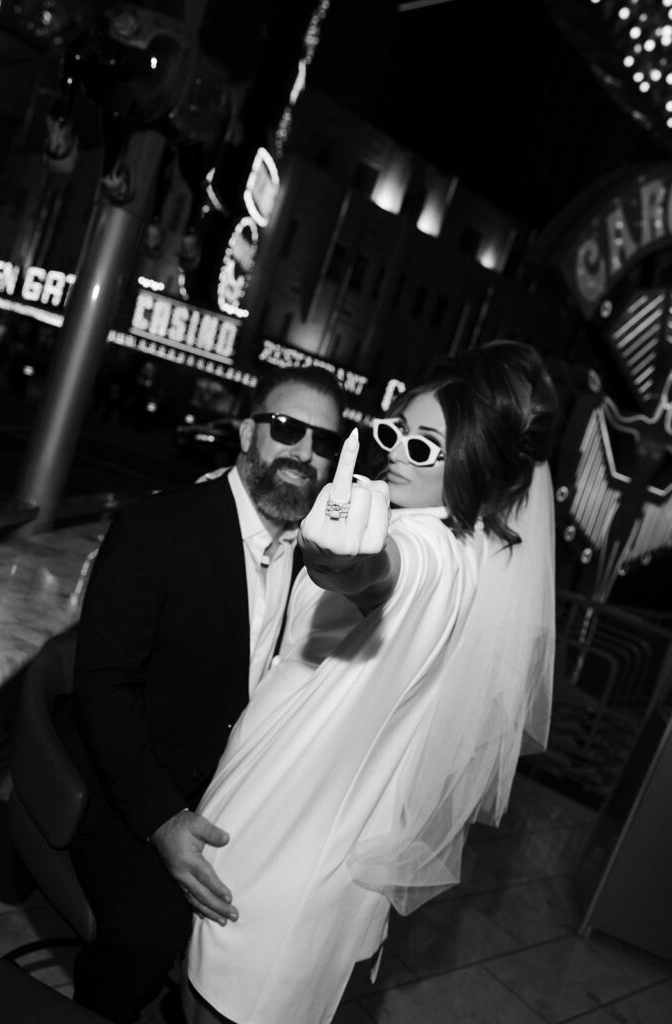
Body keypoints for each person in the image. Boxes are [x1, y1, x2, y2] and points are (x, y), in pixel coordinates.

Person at [184, 340, 559, 1024]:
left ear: (471, 465)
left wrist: (340, 561)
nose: (394, 453)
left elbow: (381, 574)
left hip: (273, 866)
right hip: (284, 842)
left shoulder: (425, 554)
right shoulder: (452, 546)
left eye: (424, 448)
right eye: (393, 433)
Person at [68, 365, 346, 1024]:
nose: (303, 453)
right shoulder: (157, 528)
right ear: (248, 431)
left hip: (241, 803)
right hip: (135, 797)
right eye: (286, 429)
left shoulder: (323, 562)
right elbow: (103, 689)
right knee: (150, 932)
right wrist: (163, 820)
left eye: (322, 441)